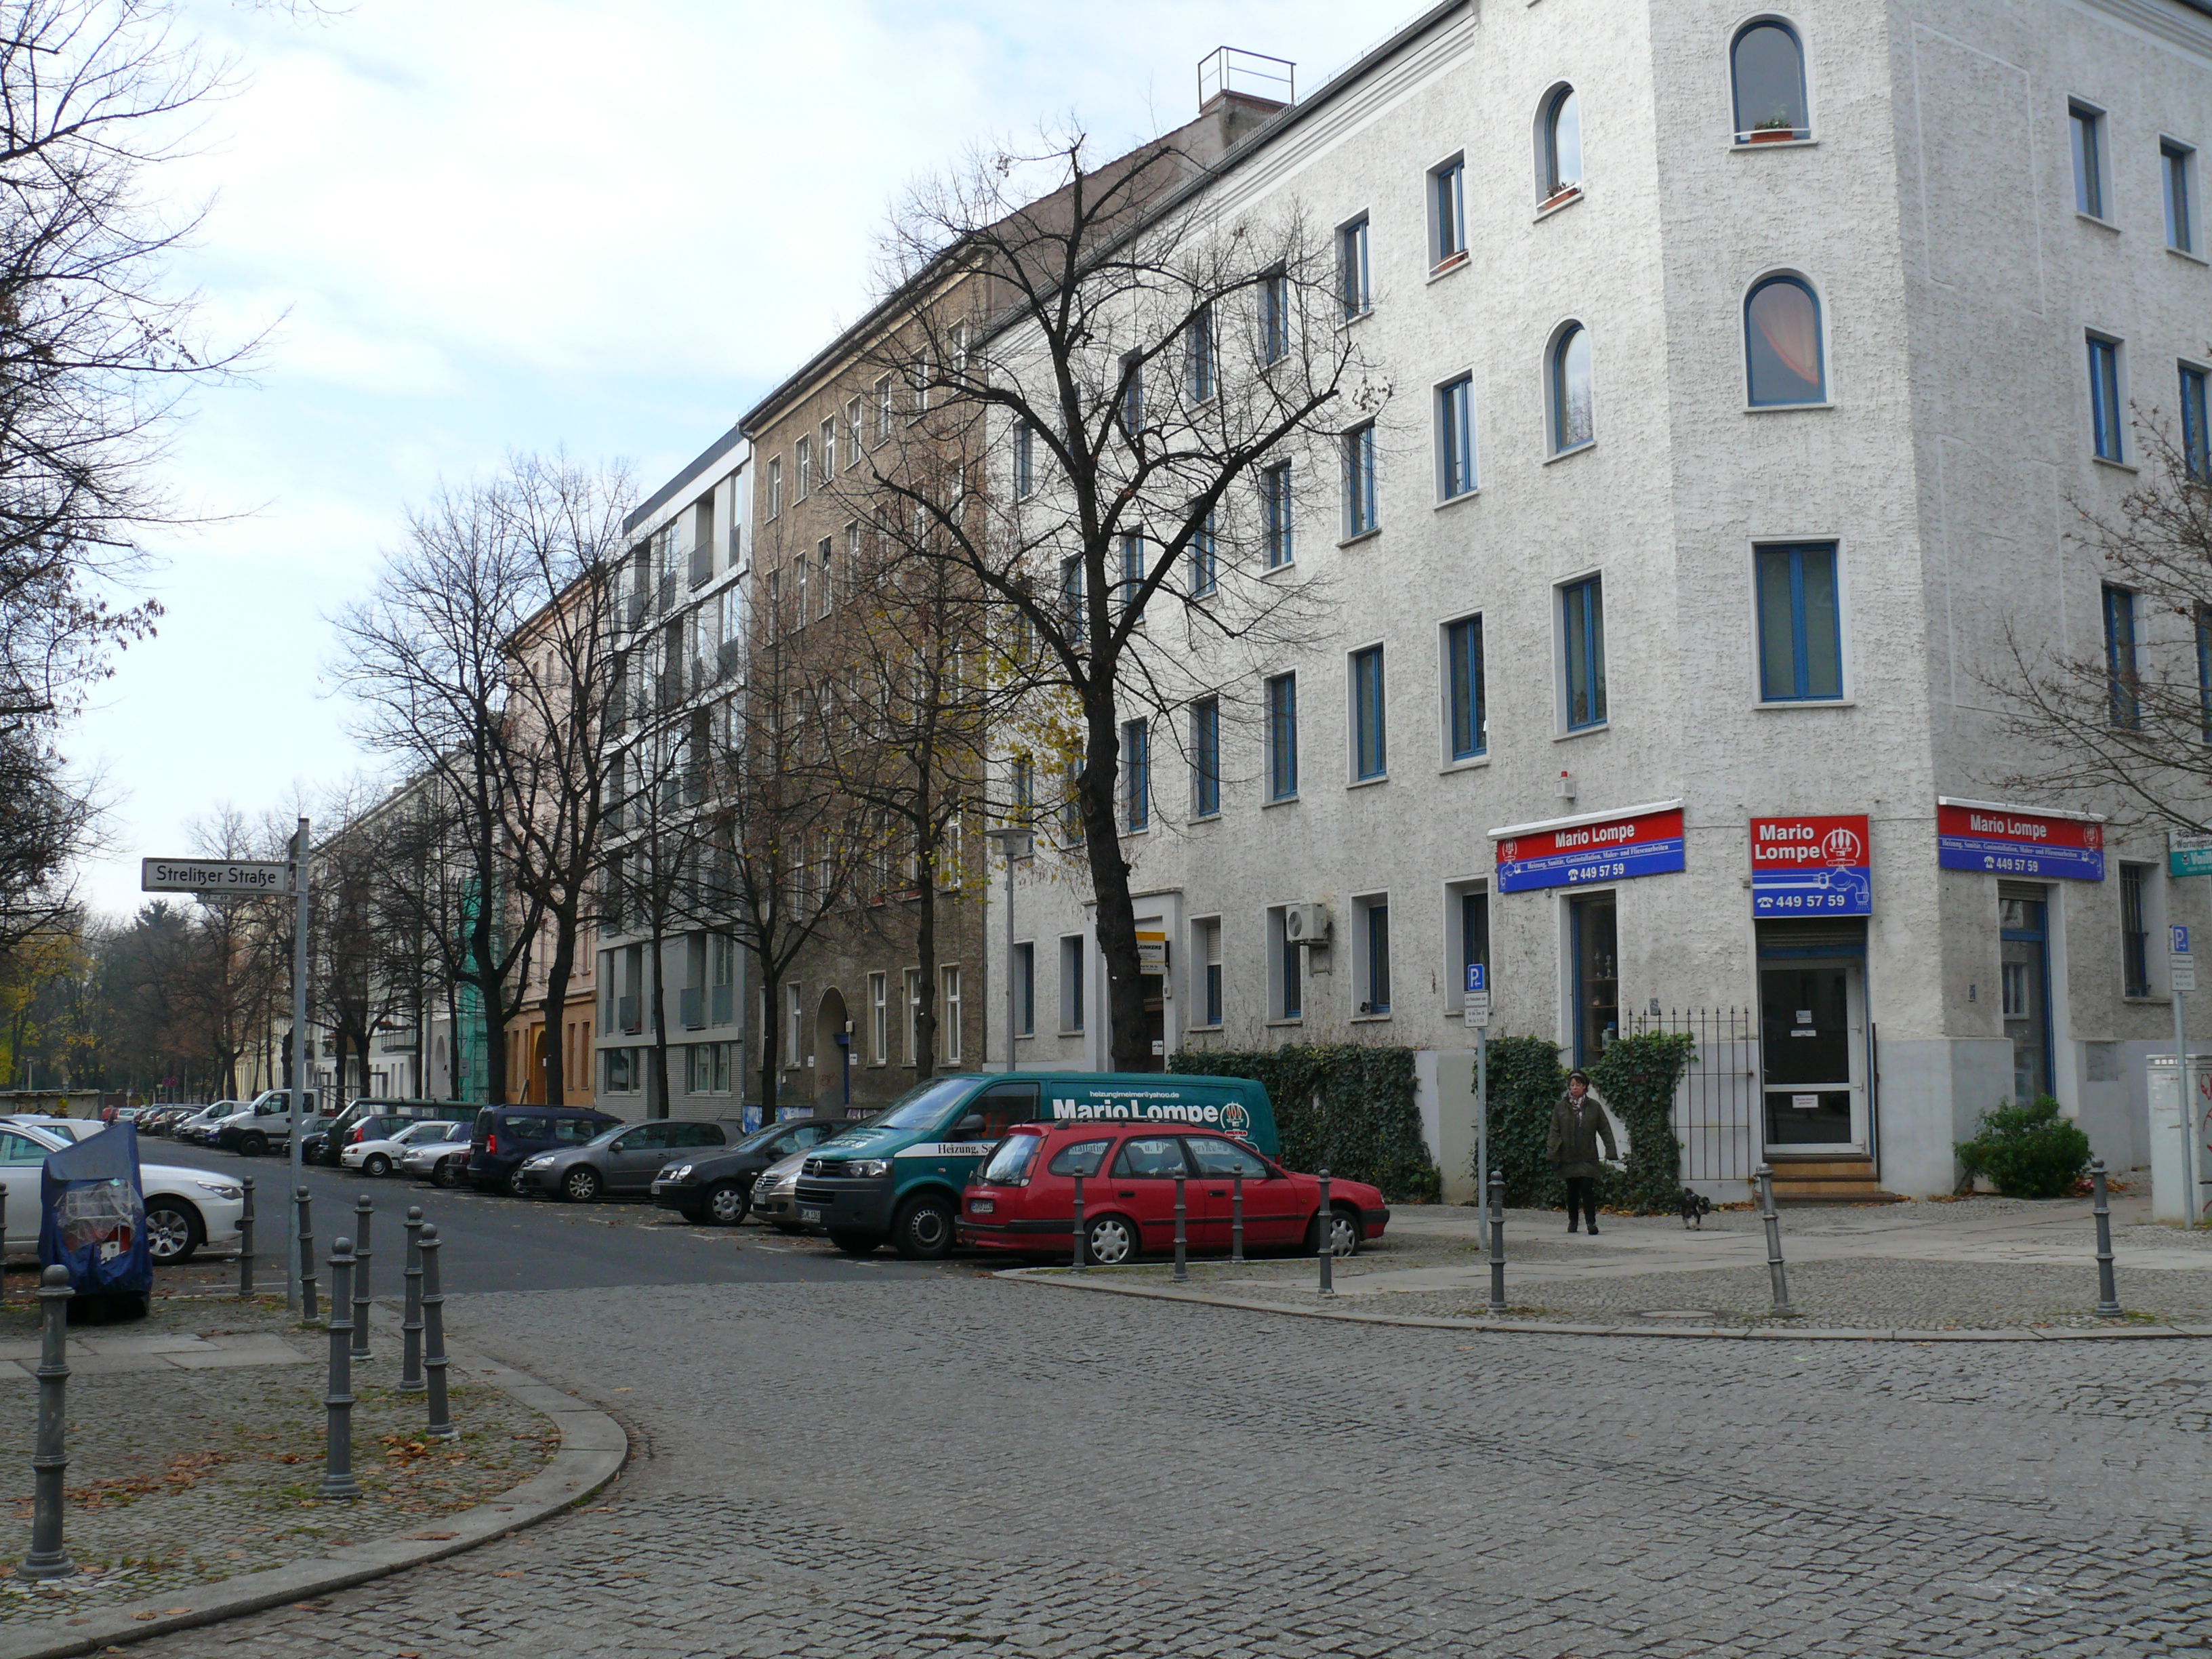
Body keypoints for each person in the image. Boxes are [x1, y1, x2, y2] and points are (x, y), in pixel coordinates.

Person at [1547, 1069, 1618, 1235]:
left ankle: (1591, 1223)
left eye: (1578, 1085)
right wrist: (1552, 1153)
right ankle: (1573, 1221)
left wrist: (1611, 1151)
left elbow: (1605, 1129)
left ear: (1585, 1086)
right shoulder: (1560, 1107)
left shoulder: (1594, 1107)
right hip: (1568, 1155)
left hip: (1588, 1155)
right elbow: (1554, 1131)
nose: (1574, 1088)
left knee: (1587, 1188)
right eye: (1572, 1085)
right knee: (1572, 1190)